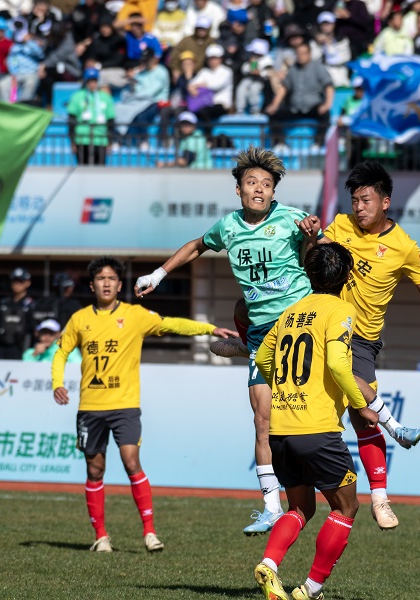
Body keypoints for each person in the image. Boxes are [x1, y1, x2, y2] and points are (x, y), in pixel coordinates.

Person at [134, 147, 321, 535]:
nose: (259, 189)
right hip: (262, 332)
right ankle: (271, 506)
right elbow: (196, 245)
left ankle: (375, 453)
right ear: (239, 190)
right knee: (262, 420)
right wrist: (158, 274)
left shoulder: (294, 219)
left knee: (302, 414)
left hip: (299, 327)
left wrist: (314, 238)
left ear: (274, 192)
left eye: (266, 184)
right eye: (252, 182)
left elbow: (324, 261)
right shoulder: (229, 226)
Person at [52, 256, 237, 553]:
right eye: (101, 278)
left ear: (120, 285)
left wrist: (210, 329)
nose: (106, 283)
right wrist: (57, 384)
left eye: (112, 278)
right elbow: (61, 353)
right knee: (95, 470)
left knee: (131, 462)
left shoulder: (134, 315)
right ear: (92, 285)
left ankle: (150, 532)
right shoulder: (79, 319)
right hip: (90, 407)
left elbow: (171, 324)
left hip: (125, 406)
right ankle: (101, 536)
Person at [305, 160, 420, 529]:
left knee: (361, 414)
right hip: (324, 327)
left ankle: (380, 500)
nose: (358, 208)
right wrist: (312, 234)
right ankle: (393, 428)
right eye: (354, 200)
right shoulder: (340, 225)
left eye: (366, 200)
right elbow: (316, 257)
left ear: (385, 202)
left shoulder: (404, 247)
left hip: (361, 340)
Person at [252, 242, 379, 600]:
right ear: (347, 276)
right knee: (347, 506)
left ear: (309, 275)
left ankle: (269, 565)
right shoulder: (341, 309)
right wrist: (361, 405)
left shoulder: (292, 311)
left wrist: (286, 386)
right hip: (317, 430)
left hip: (280, 430)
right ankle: (309, 589)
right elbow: (338, 363)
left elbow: (263, 357)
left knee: (301, 508)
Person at [67, 67, 116, 166]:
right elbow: (71, 120)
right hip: (82, 139)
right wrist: (72, 141)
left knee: (100, 169)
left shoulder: (105, 97)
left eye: (94, 81)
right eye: (90, 81)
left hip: (100, 139)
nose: (92, 84)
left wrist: (110, 141)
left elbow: (111, 120)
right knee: (82, 169)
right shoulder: (77, 96)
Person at [0, 267, 35, 360]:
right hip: (2, 347)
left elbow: (32, 330)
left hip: (21, 348)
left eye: (20, 281)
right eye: (14, 281)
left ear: (27, 283)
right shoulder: (4, 303)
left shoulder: (31, 304)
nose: (17, 284)